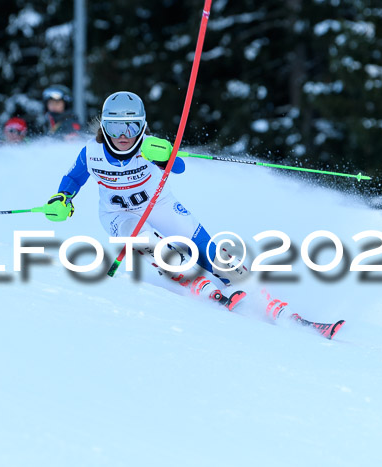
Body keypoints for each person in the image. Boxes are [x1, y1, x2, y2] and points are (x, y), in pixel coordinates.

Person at [42, 90, 249, 311]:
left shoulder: (149, 145)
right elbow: (73, 178)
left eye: (131, 127)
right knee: (141, 237)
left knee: (202, 245)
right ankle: (190, 277)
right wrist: (62, 198)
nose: (123, 135)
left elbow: (179, 167)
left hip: (159, 205)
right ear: (104, 127)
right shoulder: (92, 152)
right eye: (115, 127)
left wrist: (166, 156)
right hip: (117, 215)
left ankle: (246, 284)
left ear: (142, 125)